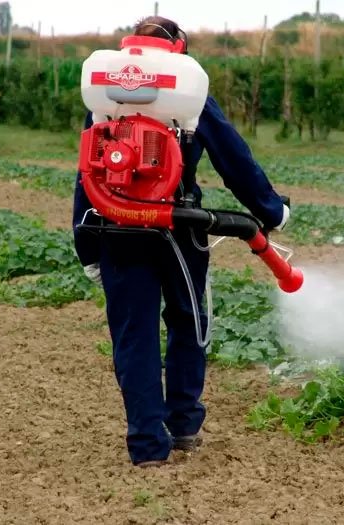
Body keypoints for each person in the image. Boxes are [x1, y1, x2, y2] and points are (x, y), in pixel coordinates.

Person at [72, 16, 289, 467]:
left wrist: (86, 246)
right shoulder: (186, 95)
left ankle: (148, 445)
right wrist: (271, 211)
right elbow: (234, 159)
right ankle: (185, 425)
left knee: (134, 338)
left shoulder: (106, 96)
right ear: (179, 48)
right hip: (179, 228)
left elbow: (89, 171)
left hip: (114, 229)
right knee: (189, 324)